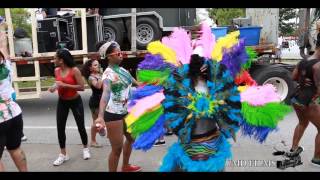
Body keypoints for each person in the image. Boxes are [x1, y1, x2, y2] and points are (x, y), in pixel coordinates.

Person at [94, 41, 142, 172]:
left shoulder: (123, 71)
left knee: (132, 139)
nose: (122, 54)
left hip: (127, 112)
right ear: (109, 56)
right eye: (118, 52)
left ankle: (125, 166)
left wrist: (153, 84)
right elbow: (106, 93)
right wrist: (100, 116)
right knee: (117, 149)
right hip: (113, 114)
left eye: (121, 51)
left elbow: (137, 84)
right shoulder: (108, 74)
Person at [48, 48, 90, 166]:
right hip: (62, 102)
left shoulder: (74, 70)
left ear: (61, 60)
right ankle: (63, 154)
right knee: (60, 128)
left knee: (80, 126)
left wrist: (65, 85)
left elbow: (82, 87)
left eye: (55, 58)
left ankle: (85, 149)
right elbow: (58, 84)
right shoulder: (56, 70)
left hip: (75, 101)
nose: (54, 60)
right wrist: (53, 87)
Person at [290, 31, 320, 167]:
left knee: (303, 123)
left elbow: (293, 78)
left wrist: (305, 82)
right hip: (308, 102)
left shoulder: (303, 61)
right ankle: (317, 160)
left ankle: (293, 150)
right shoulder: (318, 65)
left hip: (296, 98)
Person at [0, 50, 28, 171]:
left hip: (1, 118)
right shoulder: (6, 63)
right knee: (15, 148)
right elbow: (3, 48)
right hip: (14, 113)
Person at [81, 59, 103, 148]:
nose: (98, 66)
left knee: (102, 120)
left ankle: (102, 130)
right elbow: (98, 86)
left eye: (98, 64)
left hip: (102, 100)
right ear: (90, 68)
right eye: (95, 65)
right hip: (96, 102)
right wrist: (103, 76)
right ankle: (93, 141)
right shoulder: (91, 77)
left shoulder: (99, 75)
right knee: (96, 122)